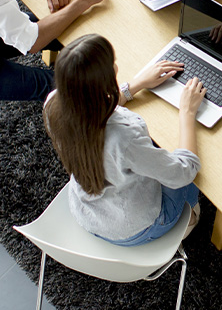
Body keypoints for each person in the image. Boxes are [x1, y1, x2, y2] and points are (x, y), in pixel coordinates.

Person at [44, 34, 206, 245]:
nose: (117, 67)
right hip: (133, 228)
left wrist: (135, 85)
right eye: (112, 64)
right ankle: (188, 221)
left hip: (87, 212)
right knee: (195, 180)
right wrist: (187, 112)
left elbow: (90, 108)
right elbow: (184, 171)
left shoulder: (53, 105)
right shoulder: (124, 138)